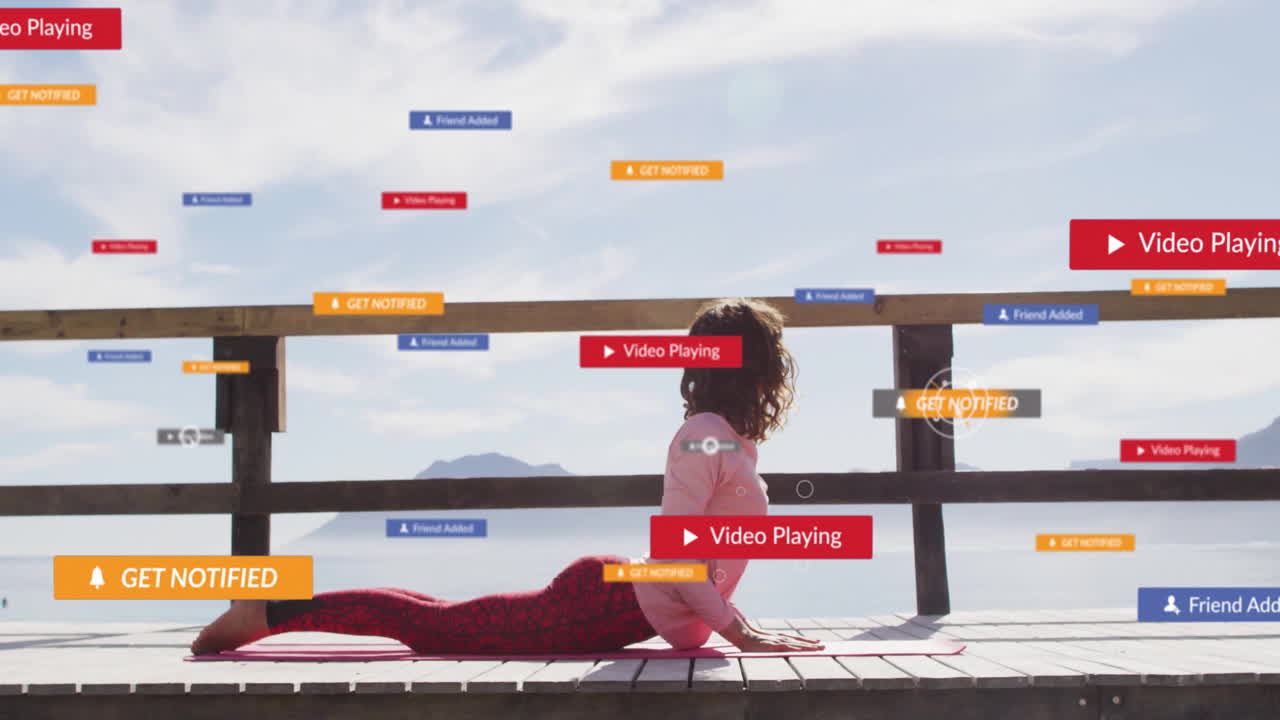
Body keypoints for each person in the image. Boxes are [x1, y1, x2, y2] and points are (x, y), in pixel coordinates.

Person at [190, 297, 822, 656]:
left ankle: (267, 607)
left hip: (619, 602)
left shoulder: (729, 440)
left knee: (438, 616)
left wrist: (735, 621)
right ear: (753, 365)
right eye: (773, 355)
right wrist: (739, 632)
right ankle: (266, 612)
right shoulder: (704, 435)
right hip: (601, 604)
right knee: (432, 630)